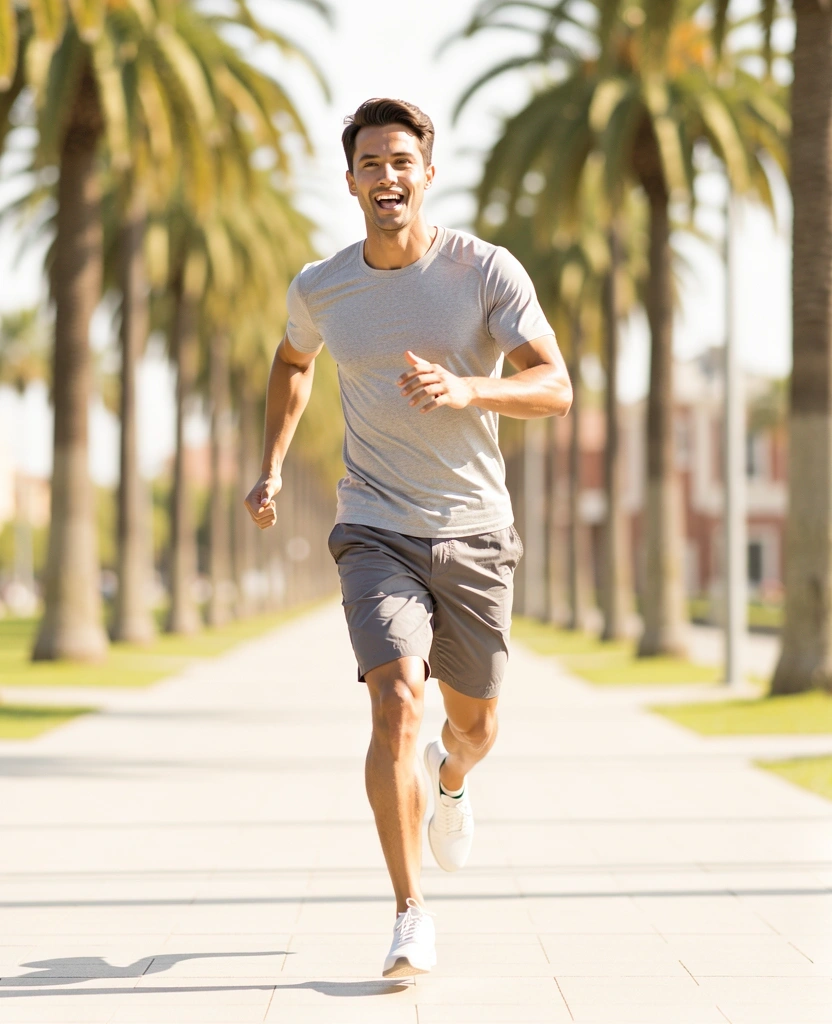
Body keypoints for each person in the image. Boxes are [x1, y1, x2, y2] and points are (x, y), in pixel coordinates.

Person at [244, 97, 572, 978]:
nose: (386, 177)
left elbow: (555, 386)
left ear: (427, 174)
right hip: (375, 526)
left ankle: (453, 782)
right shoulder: (324, 287)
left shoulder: (485, 271)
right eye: (370, 164)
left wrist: (471, 392)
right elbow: (291, 362)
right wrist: (272, 464)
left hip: (476, 531)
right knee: (394, 701)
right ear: (349, 182)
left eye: (401, 162)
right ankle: (409, 909)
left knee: (475, 726)